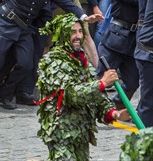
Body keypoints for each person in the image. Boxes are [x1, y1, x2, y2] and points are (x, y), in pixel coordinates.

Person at [36, 14, 129, 160]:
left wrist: (113, 113)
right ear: (63, 34)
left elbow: (96, 97)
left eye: (80, 31)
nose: (78, 36)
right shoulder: (53, 62)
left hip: (81, 131)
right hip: (61, 130)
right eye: (73, 32)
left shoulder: (82, 60)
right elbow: (70, 94)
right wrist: (102, 82)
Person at [98, 0, 148, 106]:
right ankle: (89, 110)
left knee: (133, 81)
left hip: (134, 41)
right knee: (102, 77)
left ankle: (116, 108)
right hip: (116, 39)